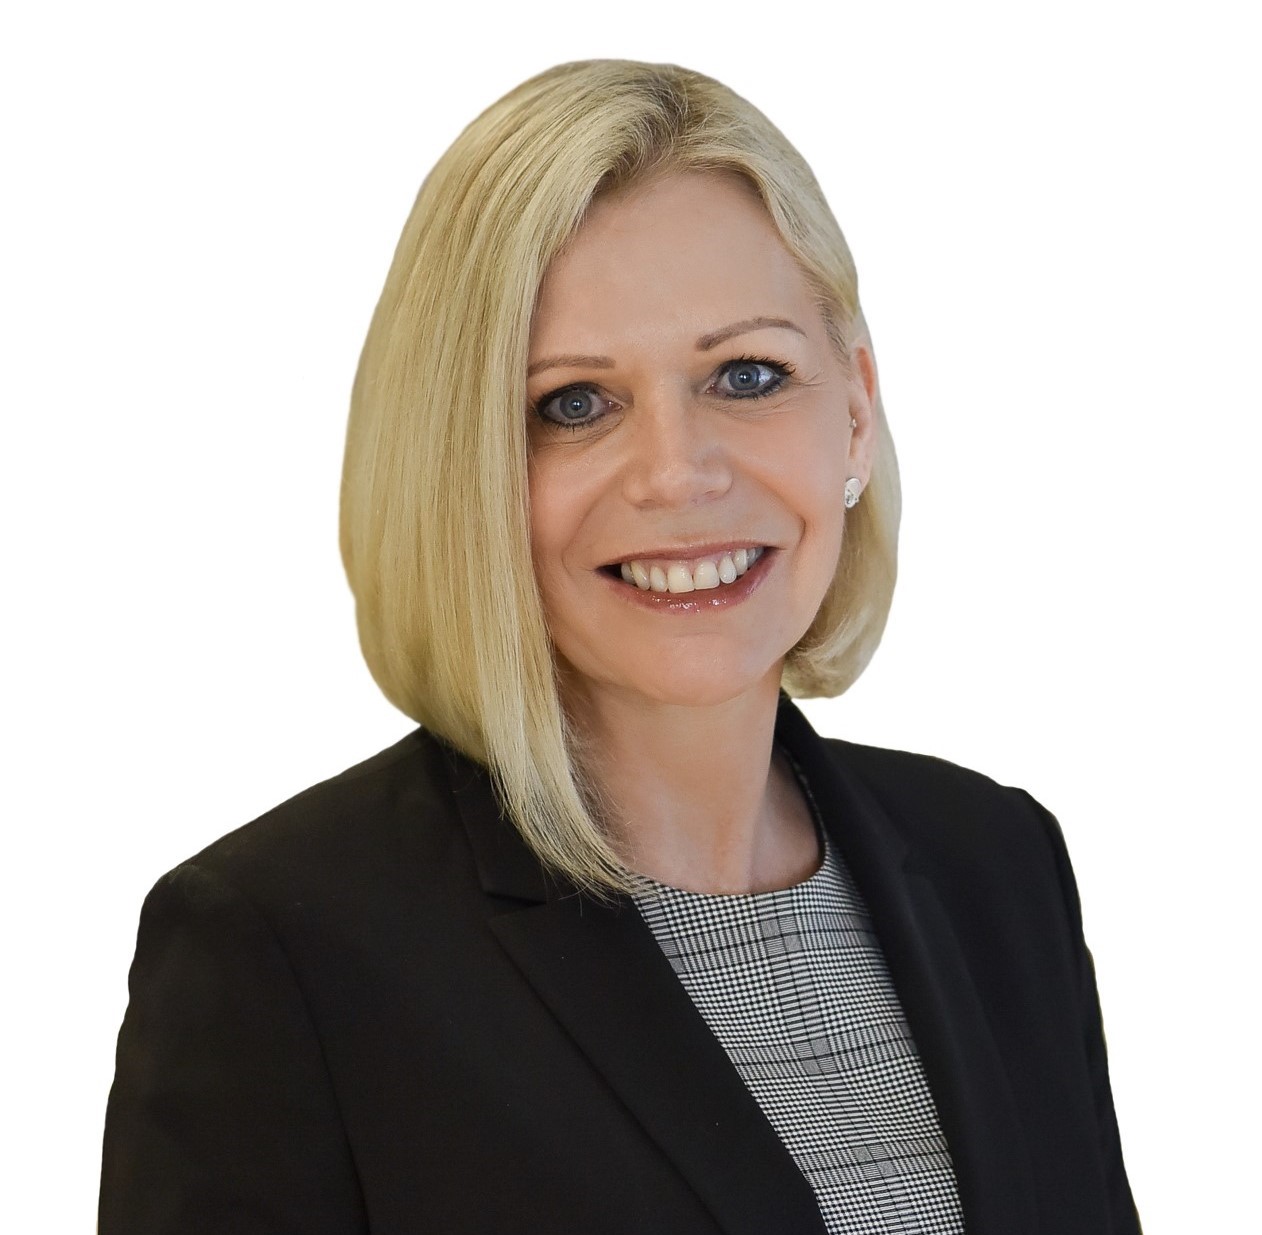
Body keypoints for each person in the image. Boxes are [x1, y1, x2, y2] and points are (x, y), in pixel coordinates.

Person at [99, 59, 1141, 1234]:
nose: (677, 474)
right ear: (458, 463)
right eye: (574, 403)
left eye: (745, 375)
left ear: (853, 410)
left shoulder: (996, 863)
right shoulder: (280, 948)